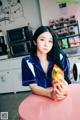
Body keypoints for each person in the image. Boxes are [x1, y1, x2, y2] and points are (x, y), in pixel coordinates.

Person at [22, 26, 71, 100]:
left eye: (50, 41)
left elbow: (65, 81)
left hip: (58, 95)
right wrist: (49, 94)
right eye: (42, 40)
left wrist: (62, 90)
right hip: (40, 97)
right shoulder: (27, 61)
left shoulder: (60, 57)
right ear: (35, 42)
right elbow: (33, 86)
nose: (46, 44)